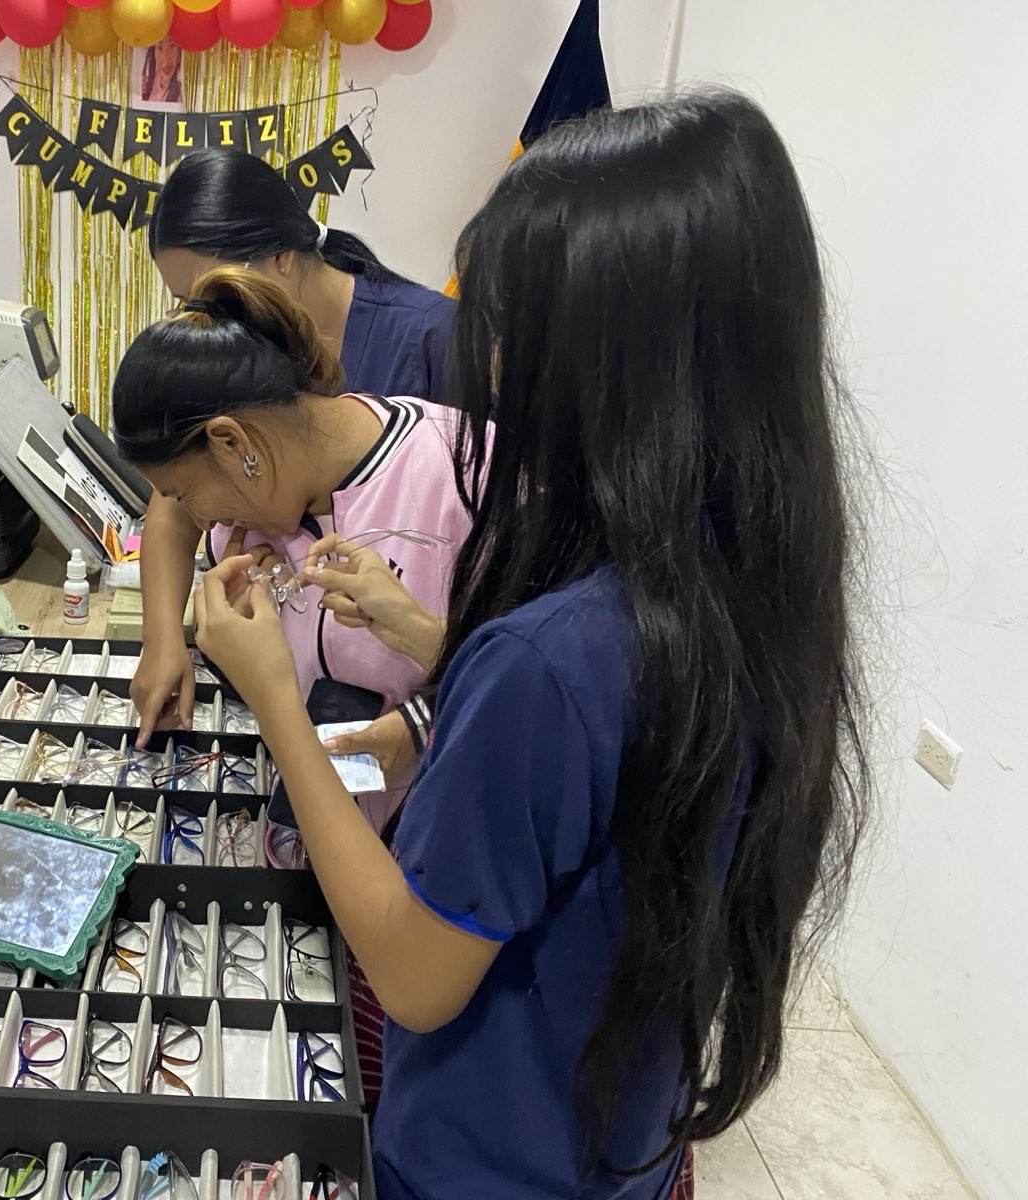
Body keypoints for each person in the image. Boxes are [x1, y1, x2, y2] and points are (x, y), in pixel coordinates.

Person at [191, 91, 870, 1199]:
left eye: (503, 330)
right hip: (621, 1145)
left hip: (482, 1162)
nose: (488, 364)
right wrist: (432, 670)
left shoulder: (549, 658)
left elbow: (413, 976)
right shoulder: (744, 594)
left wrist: (271, 697)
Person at [133, 146, 457, 765]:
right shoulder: (236, 348)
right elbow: (177, 497)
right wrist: (162, 636)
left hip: (412, 709)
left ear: (281, 256)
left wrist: (425, 721)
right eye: (188, 302)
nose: (211, 315)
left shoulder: (432, 343)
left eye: (213, 289)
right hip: (292, 690)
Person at [140, 37, 183, 105]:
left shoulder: (183, 94)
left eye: (172, 45)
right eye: (160, 48)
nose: (166, 60)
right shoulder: (149, 82)